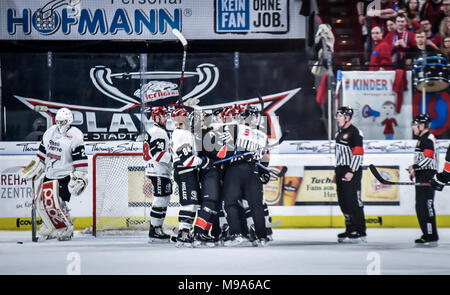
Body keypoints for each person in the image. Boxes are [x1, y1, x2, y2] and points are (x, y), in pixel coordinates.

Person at [21, 107, 88, 241]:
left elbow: (80, 159)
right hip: (50, 173)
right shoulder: (49, 132)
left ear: (69, 121)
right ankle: (50, 227)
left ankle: (66, 229)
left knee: (58, 204)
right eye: (58, 121)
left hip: (65, 175)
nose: (59, 124)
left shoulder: (75, 135)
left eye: (62, 121)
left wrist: (80, 177)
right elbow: (41, 155)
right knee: (41, 203)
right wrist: (34, 168)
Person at [221, 105, 270, 247]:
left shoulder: (237, 127)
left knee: (230, 202)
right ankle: (262, 237)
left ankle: (237, 234)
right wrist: (263, 171)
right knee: (256, 206)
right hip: (253, 170)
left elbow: (223, 146)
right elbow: (265, 159)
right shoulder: (262, 135)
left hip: (235, 169)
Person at [171, 107, 211, 247]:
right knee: (189, 204)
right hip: (185, 171)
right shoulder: (183, 134)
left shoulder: (183, 133)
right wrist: (204, 162)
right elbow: (187, 159)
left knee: (193, 204)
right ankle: (183, 233)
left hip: (187, 171)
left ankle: (185, 231)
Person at [333, 106, 366, 243]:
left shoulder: (355, 133)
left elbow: (358, 154)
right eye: (337, 116)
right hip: (341, 169)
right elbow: (339, 155)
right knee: (343, 202)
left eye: (340, 116)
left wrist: (351, 171)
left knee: (354, 201)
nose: (337, 119)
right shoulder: (338, 134)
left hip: (352, 170)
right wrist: (337, 171)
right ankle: (350, 228)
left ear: (347, 117)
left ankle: (360, 231)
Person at [407, 114, 439, 246]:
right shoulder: (423, 138)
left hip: (427, 176)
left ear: (421, 126)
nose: (413, 127)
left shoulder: (427, 139)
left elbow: (429, 159)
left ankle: (431, 235)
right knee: (421, 206)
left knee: (425, 206)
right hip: (423, 174)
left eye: (415, 125)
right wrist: (416, 171)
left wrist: (414, 167)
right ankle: (427, 234)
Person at [143, 106, 173, 243]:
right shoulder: (158, 132)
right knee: (160, 199)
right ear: (156, 117)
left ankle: (158, 228)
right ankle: (154, 230)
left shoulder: (157, 131)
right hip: (158, 170)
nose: (166, 118)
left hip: (159, 170)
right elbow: (157, 153)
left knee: (164, 199)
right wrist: (176, 158)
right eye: (163, 115)